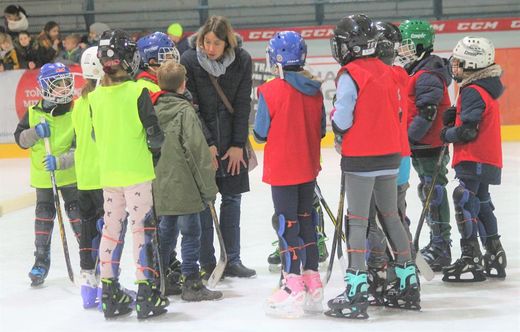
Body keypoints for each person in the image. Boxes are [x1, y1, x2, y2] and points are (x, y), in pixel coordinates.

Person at [326, 15, 420, 320]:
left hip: (362, 158)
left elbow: (343, 118)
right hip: (391, 156)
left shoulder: (349, 74)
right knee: (391, 216)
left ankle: (356, 290)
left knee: (357, 221)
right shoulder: (388, 70)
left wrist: (336, 127)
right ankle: (408, 282)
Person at [90, 29, 168, 319]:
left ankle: (109, 293)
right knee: (141, 231)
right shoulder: (139, 92)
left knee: (111, 233)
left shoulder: (95, 97)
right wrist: (154, 153)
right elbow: (155, 137)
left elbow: (97, 135)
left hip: (109, 176)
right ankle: (147, 293)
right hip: (137, 175)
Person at [254, 31, 325, 318]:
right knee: (307, 221)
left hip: (283, 170)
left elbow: (259, 134)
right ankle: (312, 278)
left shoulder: (269, 91)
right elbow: (321, 130)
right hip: (307, 167)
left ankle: (291, 283)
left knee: (287, 225)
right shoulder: (315, 90)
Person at [180, 15, 256, 279]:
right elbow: (191, 107)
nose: (210, 48)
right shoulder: (189, 60)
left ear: (228, 43)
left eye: (216, 43)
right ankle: (208, 262)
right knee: (205, 203)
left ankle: (232, 259)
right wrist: (207, 143)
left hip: (232, 142)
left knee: (232, 200)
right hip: (204, 145)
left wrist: (238, 144)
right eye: (206, 42)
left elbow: (243, 104)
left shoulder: (243, 61)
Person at [153, 60, 223, 301]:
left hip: (160, 182)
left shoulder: (152, 110)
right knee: (191, 231)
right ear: (183, 85)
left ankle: (158, 277)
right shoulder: (185, 112)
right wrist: (208, 188)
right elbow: (196, 151)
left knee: (166, 230)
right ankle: (191, 281)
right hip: (185, 184)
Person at [440, 37, 507, 282]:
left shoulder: (472, 90)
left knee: (465, 200)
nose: (453, 66)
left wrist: (447, 133)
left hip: (474, 156)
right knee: (482, 201)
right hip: (487, 158)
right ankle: (494, 253)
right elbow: (470, 120)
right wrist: (455, 116)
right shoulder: (484, 87)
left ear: (472, 62)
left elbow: (468, 131)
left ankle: (471, 257)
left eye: (458, 61)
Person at [13, 62, 81, 287]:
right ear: (45, 87)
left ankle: (89, 257)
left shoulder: (76, 111)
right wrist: (34, 133)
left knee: (79, 219)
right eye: (58, 84)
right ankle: (41, 261)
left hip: (71, 176)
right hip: (44, 179)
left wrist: (60, 161)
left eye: (66, 83)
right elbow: (20, 140)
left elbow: (80, 149)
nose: (65, 88)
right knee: (43, 221)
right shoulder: (33, 113)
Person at [365, 21, 415, 306]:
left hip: (379, 158)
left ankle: (378, 271)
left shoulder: (374, 75)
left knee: (371, 220)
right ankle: (402, 268)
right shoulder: (400, 74)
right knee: (396, 216)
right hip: (402, 156)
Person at [397, 19, 453, 272]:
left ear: (420, 43)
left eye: (407, 44)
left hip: (428, 145)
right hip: (421, 145)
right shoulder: (418, 71)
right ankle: (437, 241)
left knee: (434, 192)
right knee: (427, 191)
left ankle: (442, 245)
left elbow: (427, 113)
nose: (402, 49)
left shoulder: (428, 74)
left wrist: (408, 138)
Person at [72, 46, 105, 308]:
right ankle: (107, 284)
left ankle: (87, 286)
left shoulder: (78, 103)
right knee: (108, 234)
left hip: (83, 177)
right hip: (104, 176)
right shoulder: (102, 100)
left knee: (86, 231)